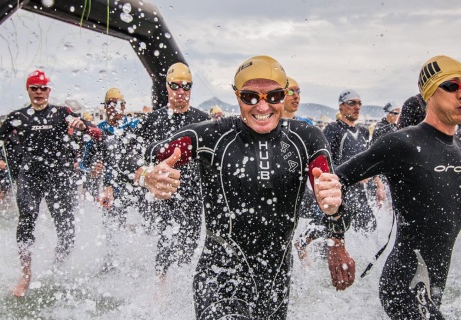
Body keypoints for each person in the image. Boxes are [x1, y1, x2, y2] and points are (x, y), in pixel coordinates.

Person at [132, 55, 355, 319]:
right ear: (237, 95)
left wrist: (336, 239)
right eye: (250, 96)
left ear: (283, 95)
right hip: (219, 278)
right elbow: (137, 157)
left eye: (273, 96)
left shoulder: (306, 138)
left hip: (275, 283)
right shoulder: (213, 135)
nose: (262, 106)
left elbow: (330, 195)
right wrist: (147, 175)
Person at [336, 55, 461, 319]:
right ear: (428, 93)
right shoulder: (402, 143)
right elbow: (336, 180)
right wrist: (336, 240)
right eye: (452, 86)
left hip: (433, 287)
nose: (460, 94)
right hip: (404, 285)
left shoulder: (457, 151)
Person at [0, 70, 101, 297]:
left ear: (49, 90)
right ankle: (26, 274)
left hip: (60, 177)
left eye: (43, 88)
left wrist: (83, 126)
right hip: (30, 176)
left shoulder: (62, 112)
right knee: (26, 217)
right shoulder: (18, 116)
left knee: (66, 228)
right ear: (28, 90)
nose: (38, 92)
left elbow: (95, 132)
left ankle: (58, 265)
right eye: (34, 88)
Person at [122, 62, 211, 279]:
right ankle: (160, 288)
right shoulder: (152, 120)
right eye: (175, 85)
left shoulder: (203, 120)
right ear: (167, 87)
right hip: (162, 191)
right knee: (165, 238)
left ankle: (180, 286)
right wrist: (143, 174)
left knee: (189, 243)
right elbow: (125, 155)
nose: (181, 92)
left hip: (193, 194)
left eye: (186, 86)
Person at [80, 87, 141, 271]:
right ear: (105, 107)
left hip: (135, 187)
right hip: (111, 190)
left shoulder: (133, 126)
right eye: (110, 104)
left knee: (142, 227)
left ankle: (138, 265)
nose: (114, 107)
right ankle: (111, 267)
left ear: (124, 106)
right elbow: (84, 163)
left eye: (118, 103)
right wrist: (93, 170)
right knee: (112, 232)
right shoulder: (98, 131)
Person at [322, 89, 384, 232]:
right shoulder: (333, 129)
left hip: (360, 192)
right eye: (351, 103)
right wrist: (352, 175)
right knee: (336, 230)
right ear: (341, 106)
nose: (357, 107)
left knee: (369, 227)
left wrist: (378, 184)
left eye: (359, 103)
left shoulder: (362, 131)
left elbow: (368, 159)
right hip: (341, 191)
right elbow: (326, 163)